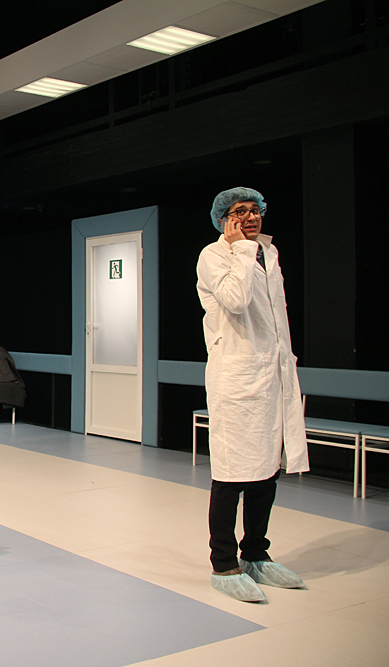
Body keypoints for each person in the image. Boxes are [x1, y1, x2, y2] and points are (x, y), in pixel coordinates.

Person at [196, 187, 310, 603]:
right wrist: (241, 250)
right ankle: (224, 564)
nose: (249, 217)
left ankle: (256, 555)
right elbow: (235, 301)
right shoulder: (214, 255)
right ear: (223, 219)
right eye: (238, 211)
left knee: (266, 472)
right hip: (237, 378)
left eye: (254, 209)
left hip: (270, 377)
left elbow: (276, 318)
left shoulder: (268, 254)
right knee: (231, 476)